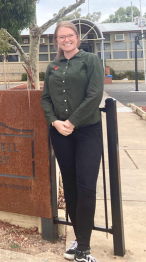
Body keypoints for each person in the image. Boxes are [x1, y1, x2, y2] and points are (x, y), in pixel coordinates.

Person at [41, 21, 104, 262]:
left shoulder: (90, 61)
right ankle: (79, 238)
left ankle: (84, 249)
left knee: (86, 186)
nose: (66, 40)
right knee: (70, 186)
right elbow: (45, 98)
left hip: (87, 130)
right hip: (61, 133)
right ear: (56, 41)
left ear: (77, 38)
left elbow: (94, 94)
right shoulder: (52, 67)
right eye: (61, 37)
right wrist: (55, 122)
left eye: (70, 36)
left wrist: (73, 121)